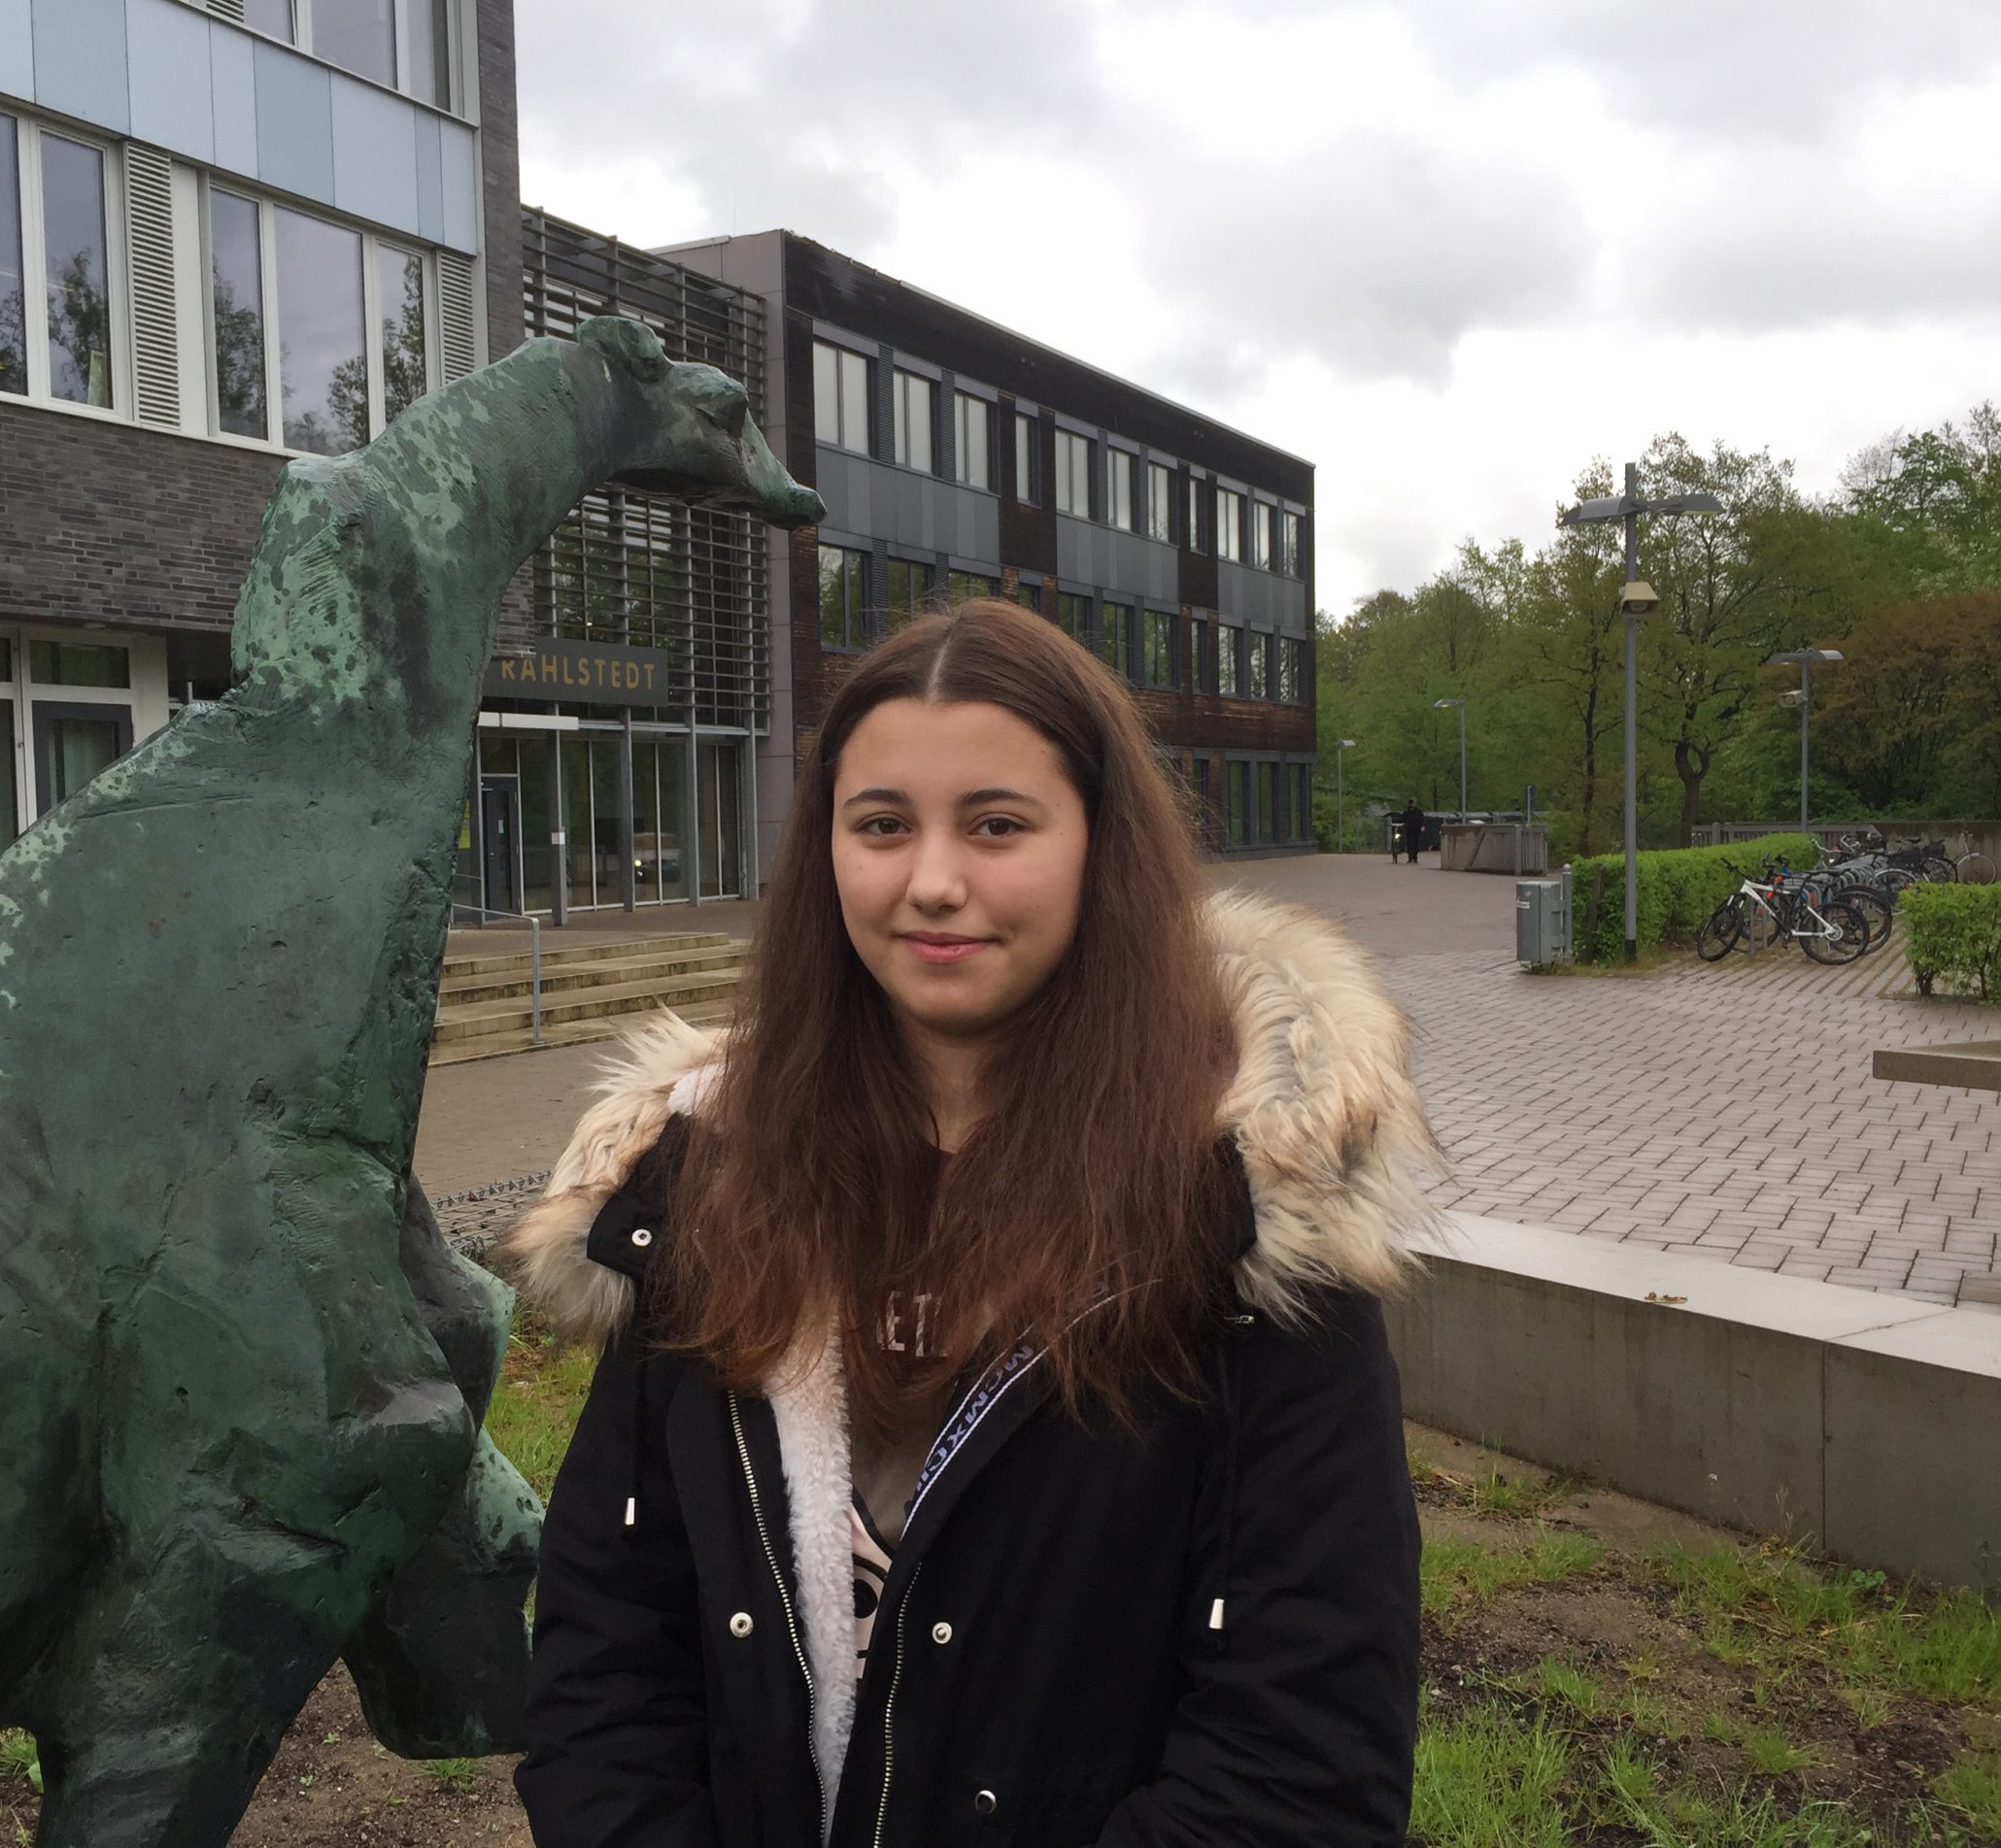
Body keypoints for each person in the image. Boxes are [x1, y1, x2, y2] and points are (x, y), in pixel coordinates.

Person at [504, 599, 1438, 1847]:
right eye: (881, 824)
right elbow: (604, 1652)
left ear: (1100, 847)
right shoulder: (705, 1178)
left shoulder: (1249, 1208)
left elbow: (1300, 1761)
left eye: (997, 825)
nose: (933, 883)